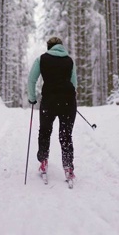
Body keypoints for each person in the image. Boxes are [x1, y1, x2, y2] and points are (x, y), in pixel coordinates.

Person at [27, 37, 78, 181]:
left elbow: (31, 80)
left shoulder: (41, 59)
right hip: (68, 102)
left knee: (44, 131)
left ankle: (43, 161)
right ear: (61, 46)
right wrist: (70, 96)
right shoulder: (69, 61)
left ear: (49, 47)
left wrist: (32, 98)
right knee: (66, 134)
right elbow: (73, 83)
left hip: (49, 102)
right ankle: (68, 167)